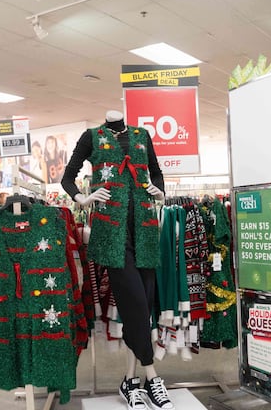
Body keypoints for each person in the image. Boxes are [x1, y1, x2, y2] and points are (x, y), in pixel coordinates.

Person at [61, 110, 172, 410]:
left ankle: (130, 381)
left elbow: (156, 171)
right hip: (112, 235)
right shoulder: (92, 137)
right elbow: (67, 177)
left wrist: (159, 191)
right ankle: (152, 376)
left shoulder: (141, 135)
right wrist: (82, 198)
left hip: (145, 232)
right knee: (136, 304)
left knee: (141, 310)